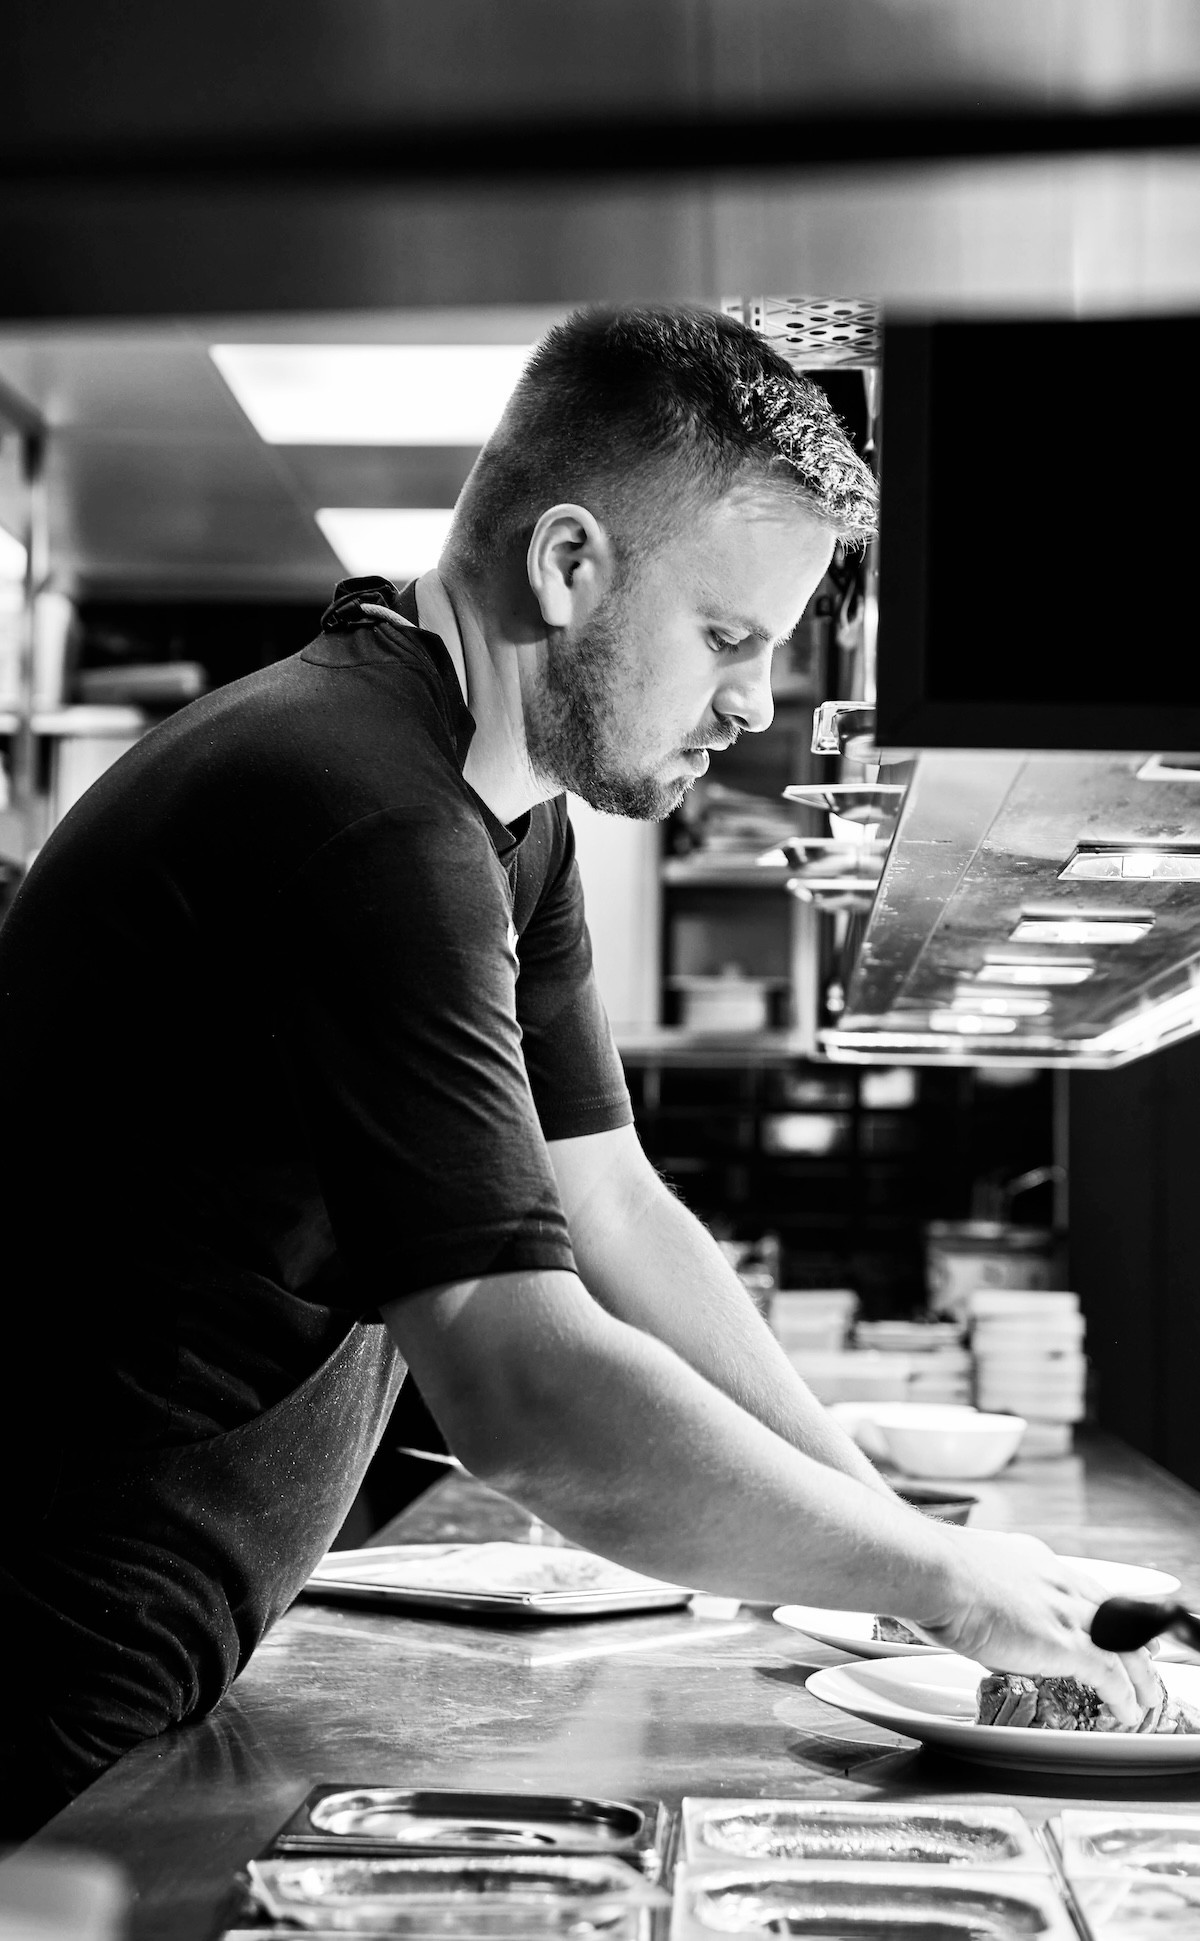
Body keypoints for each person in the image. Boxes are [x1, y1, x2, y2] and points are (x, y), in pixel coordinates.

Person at [0, 306, 1153, 1836]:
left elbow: (612, 1208)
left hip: (139, 1656)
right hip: (38, 1686)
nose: (752, 705)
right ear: (568, 564)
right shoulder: (364, 819)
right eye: (729, 638)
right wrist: (937, 1580)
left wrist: (888, 1548)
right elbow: (525, 1385)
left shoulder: (498, 817)